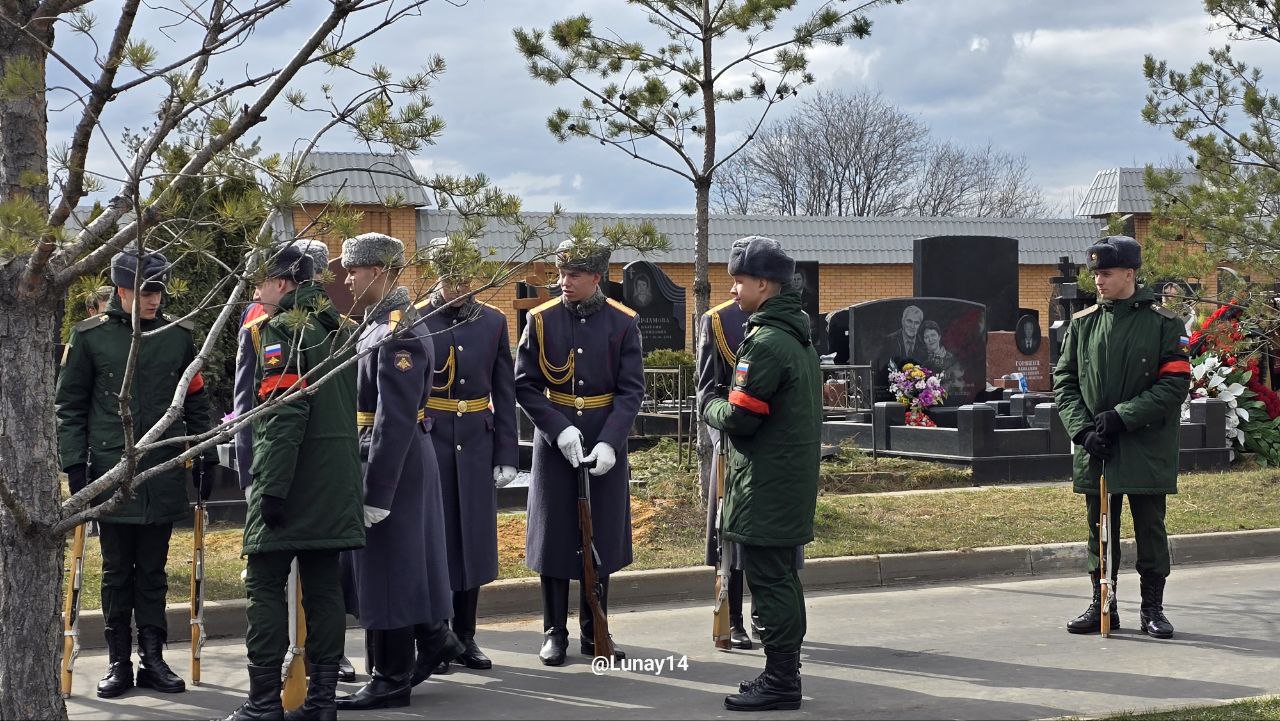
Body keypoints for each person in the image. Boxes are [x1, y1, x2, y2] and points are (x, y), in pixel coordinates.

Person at [55, 249, 218, 699]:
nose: (155, 299)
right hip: (111, 471)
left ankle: (153, 658)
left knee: (153, 570)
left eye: (160, 290)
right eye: (147, 291)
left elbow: (196, 400)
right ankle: (117, 662)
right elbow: (69, 406)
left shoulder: (178, 336)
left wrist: (205, 452)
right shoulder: (90, 337)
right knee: (114, 571)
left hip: (161, 471)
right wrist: (74, 463)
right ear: (122, 291)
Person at [221, 243, 365, 721]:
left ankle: (264, 704)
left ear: (283, 283)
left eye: (262, 282)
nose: (257, 291)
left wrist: (272, 488)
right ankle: (322, 705)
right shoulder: (343, 330)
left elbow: (284, 415)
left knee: (264, 585)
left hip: (293, 481)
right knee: (324, 589)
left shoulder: (280, 331)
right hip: (335, 483)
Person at [336, 232, 458, 710]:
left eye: (354, 270)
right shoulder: (378, 323)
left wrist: (377, 491)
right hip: (386, 457)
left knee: (386, 568)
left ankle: (390, 678)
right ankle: (434, 638)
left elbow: (395, 416)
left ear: (380, 271)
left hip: (394, 462)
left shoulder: (397, 329)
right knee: (395, 565)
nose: (347, 279)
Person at [702, 236, 821, 712]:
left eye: (740, 280)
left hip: (766, 483)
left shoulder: (767, 343)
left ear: (764, 286)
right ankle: (782, 672)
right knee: (782, 579)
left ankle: (781, 680)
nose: (733, 290)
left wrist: (711, 405)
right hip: (784, 479)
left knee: (771, 581)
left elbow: (742, 417)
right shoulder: (793, 334)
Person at [1053, 235, 1191, 639]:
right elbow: (1064, 383)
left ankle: (1153, 609)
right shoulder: (1083, 324)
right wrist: (1081, 430)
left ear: (1130, 273)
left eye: (1106, 273)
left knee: (1150, 530)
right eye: (1095, 272)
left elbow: (1174, 385)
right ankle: (1104, 606)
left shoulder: (1165, 324)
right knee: (1100, 531)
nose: (1098, 280)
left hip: (1146, 445)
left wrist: (1123, 417)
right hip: (1098, 447)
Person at [514, 237, 644, 666]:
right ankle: (554, 631)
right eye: (561, 273)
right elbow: (526, 385)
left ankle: (596, 629)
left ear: (596, 276)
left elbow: (630, 390)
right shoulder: (541, 319)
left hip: (604, 440)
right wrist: (557, 429)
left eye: (573, 275)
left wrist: (611, 440)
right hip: (556, 444)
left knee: (599, 535)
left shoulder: (623, 322)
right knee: (555, 536)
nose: (563, 282)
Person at [417, 237, 518, 674]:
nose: (459, 284)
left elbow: (505, 388)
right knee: (435, 540)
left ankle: (467, 635)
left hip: (476, 439)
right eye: (450, 275)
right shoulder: (417, 319)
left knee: (473, 541)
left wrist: (507, 453)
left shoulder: (493, 321)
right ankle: (437, 638)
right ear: (437, 274)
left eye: (465, 276)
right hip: (432, 438)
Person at [696, 294, 753, 650]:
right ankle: (733, 619)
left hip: (770, 447)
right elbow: (707, 390)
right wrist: (723, 438)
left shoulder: (787, 319)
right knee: (729, 535)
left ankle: (764, 613)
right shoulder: (717, 321)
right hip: (730, 442)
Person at [920, 320, 964, 399]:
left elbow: (959, 383)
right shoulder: (922, 361)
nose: (930, 339)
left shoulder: (952, 359)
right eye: (926, 337)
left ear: (939, 336)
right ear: (923, 341)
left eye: (933, 335)